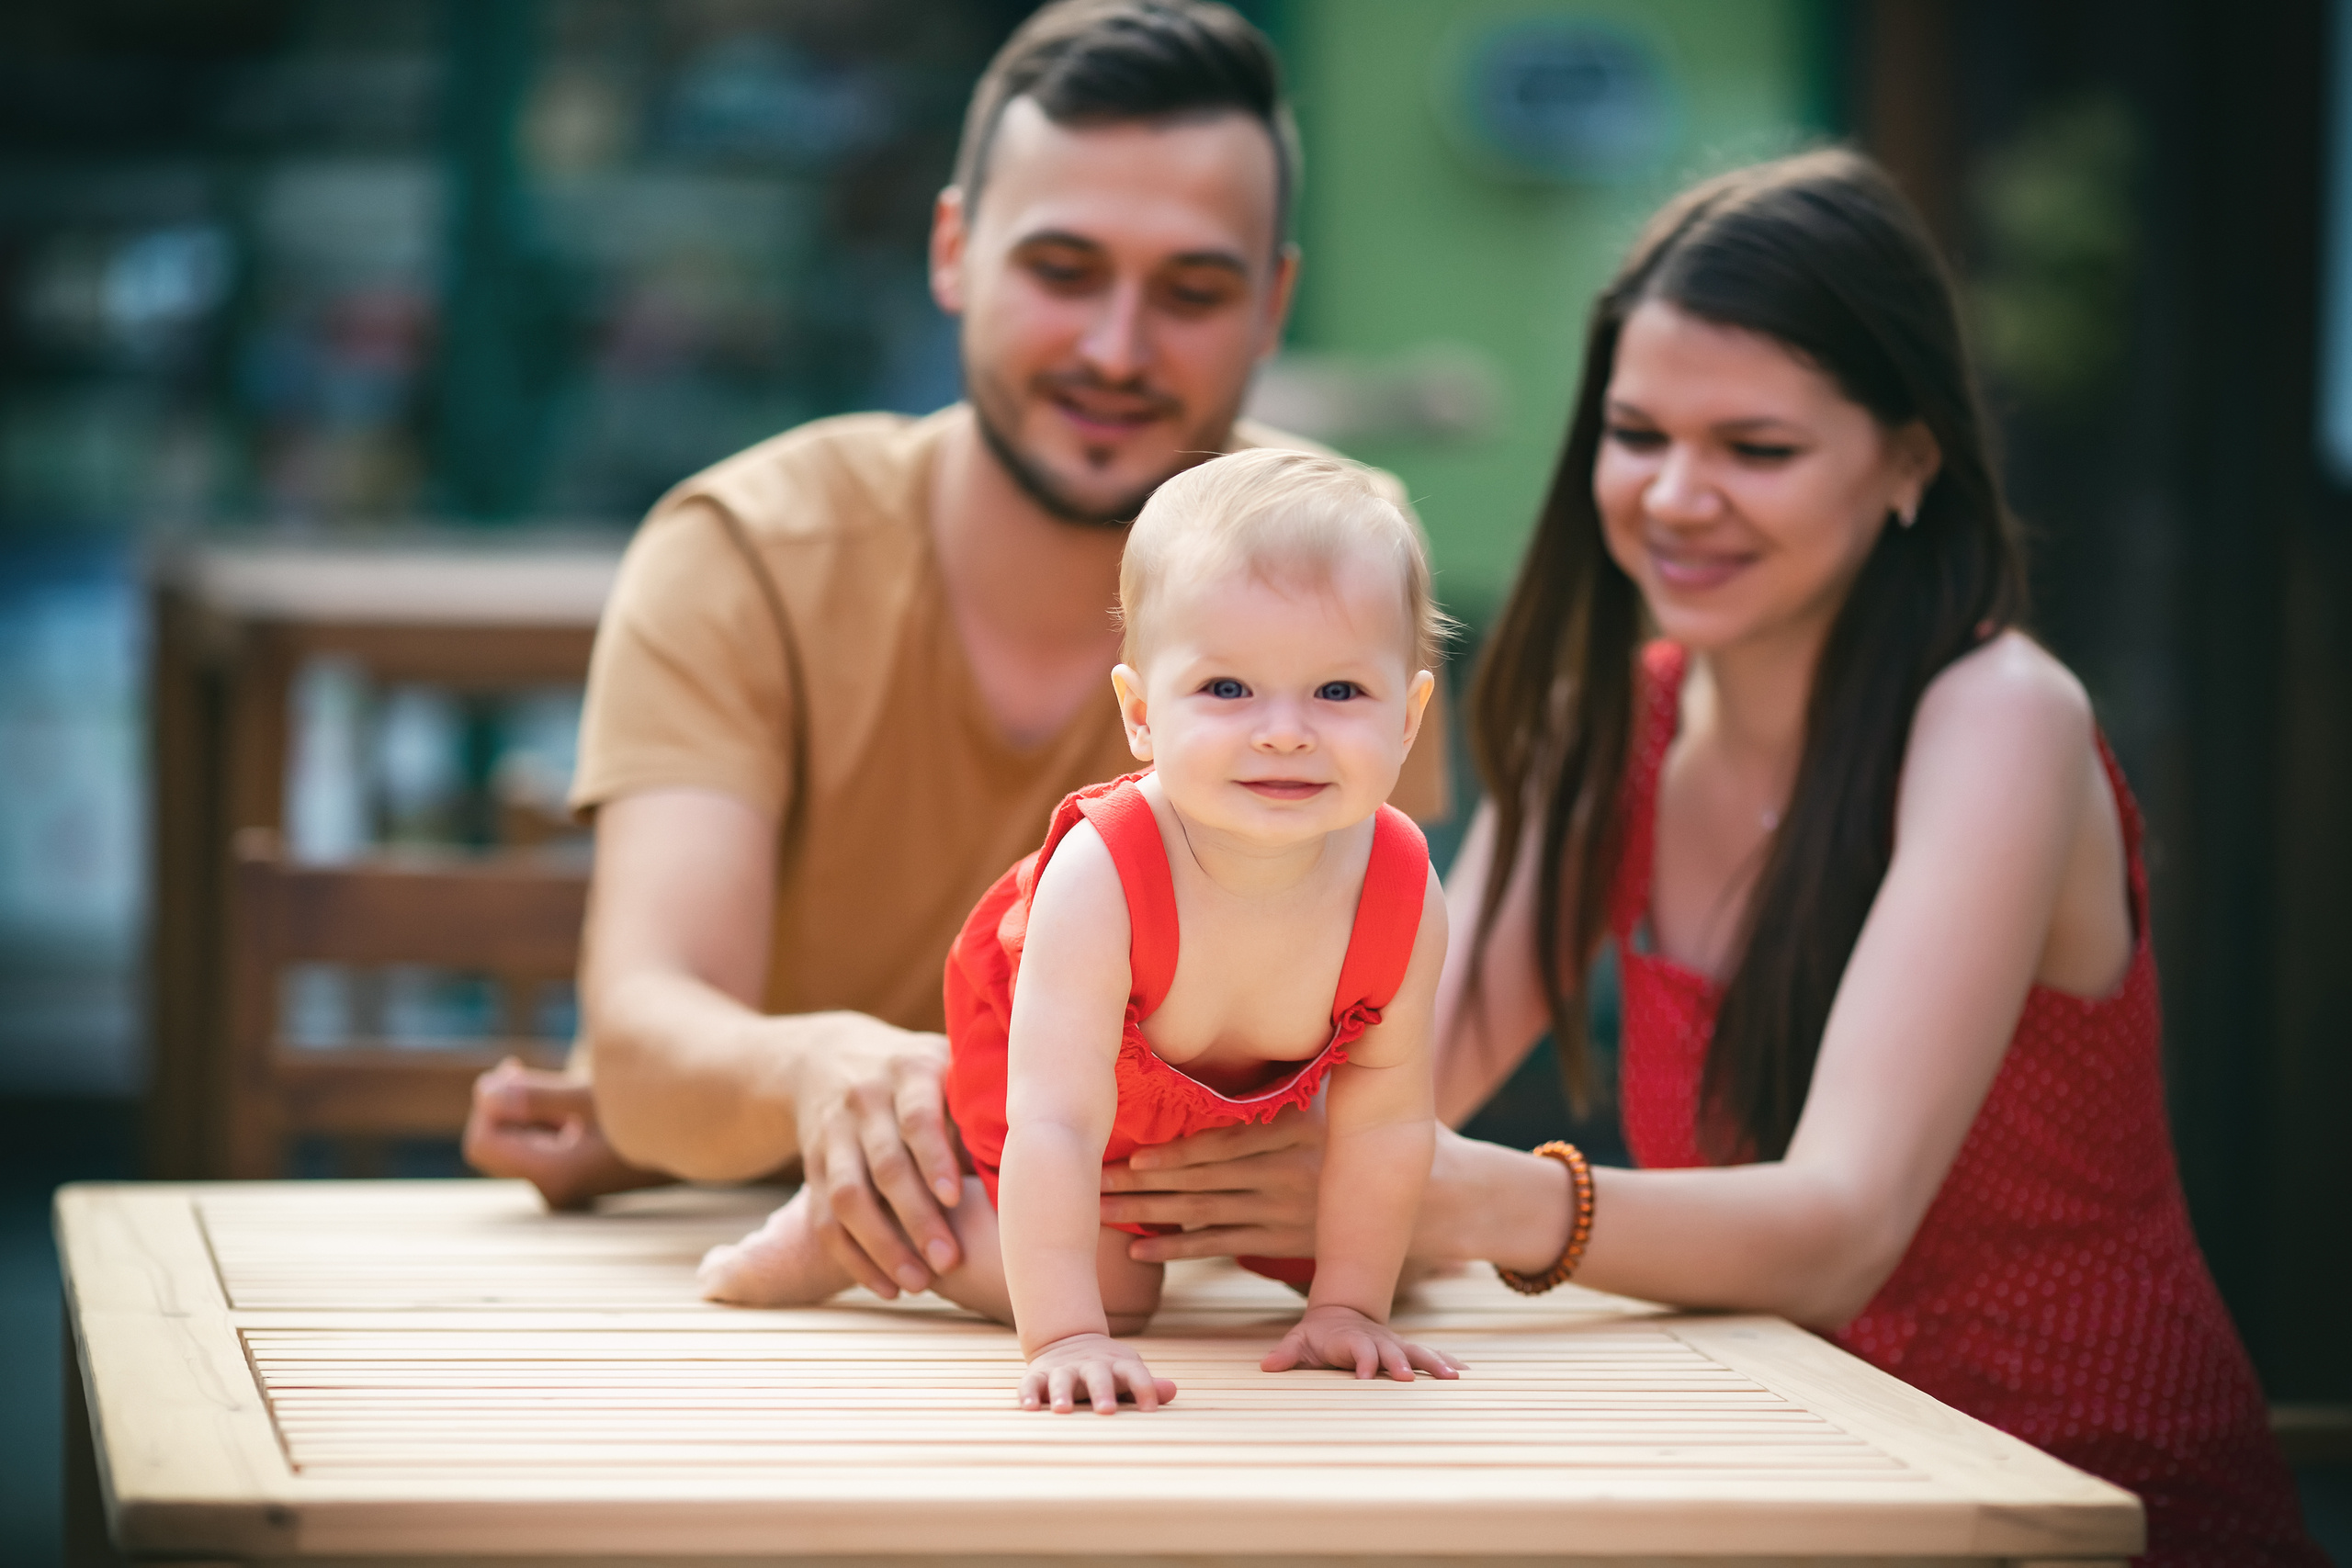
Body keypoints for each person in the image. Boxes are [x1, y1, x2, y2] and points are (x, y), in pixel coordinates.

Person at [1096, 151, 2324, 1562]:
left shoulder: (2000, 719)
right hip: (1788, 1472)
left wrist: (1447, 1189)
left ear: (1912, 458)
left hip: (2086, 1495)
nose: (1678, 495)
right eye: (1638, 433)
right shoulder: (1605, 730)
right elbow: (1381, 1064)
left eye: (1758, 447)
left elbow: (1841, 1225)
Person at [459, 0, 1449, 1303]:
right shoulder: (747, 546)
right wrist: (817, 1072)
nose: (1115, 345)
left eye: (1193, 290)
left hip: (1168, 1319)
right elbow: (648, 1029)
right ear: (953, 250)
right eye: (1063, 269)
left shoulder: (1343, 564)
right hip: (800, 1303)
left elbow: (1385, 1031)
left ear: (1273, 305)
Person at [699, 449, 1464, 1415]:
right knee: (1113, 1288)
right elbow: (1054, 1123)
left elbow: (1386, 1120)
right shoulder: (1105, 877)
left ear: (1408, 717)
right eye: (1227, 689)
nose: (1283, 731)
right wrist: (1067, 1336)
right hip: (1050, 1068)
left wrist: (1347, 1304)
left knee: (1386, 1247)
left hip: (1234, 1107)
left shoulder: (1400, 891)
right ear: (1140, 715)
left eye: (1340, 693)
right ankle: (884, 1224)